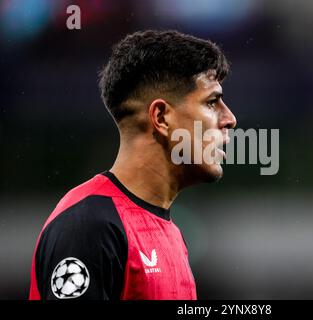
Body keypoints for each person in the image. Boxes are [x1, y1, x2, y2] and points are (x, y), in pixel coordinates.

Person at [29, 29, 237, 300]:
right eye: (212, 102)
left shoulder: (171, 234)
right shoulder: (90, 227)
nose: (229, 119)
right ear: (161, 117)